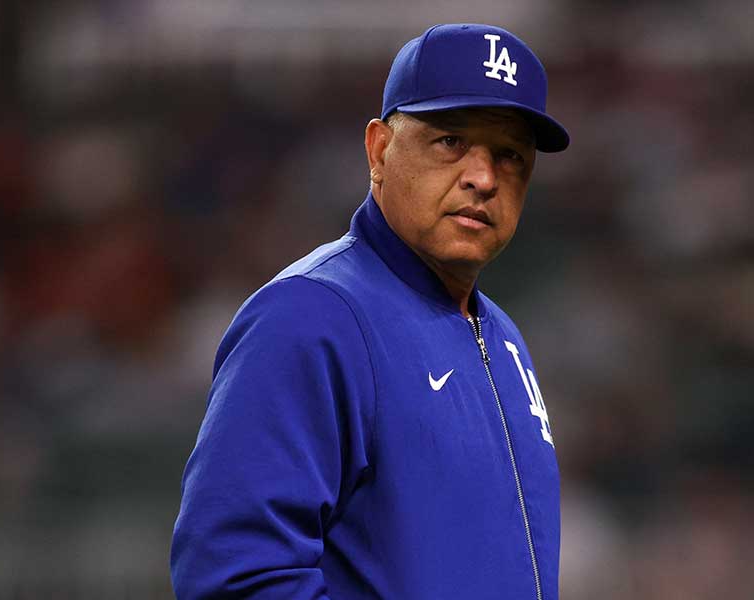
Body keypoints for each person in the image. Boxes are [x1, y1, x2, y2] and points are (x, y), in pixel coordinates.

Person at [171, 23, 569, 600]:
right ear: (380, 150)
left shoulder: (503, 337)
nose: (483, 178)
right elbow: (236, 576)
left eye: (509, 154)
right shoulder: (311, 317)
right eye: (451, 141)